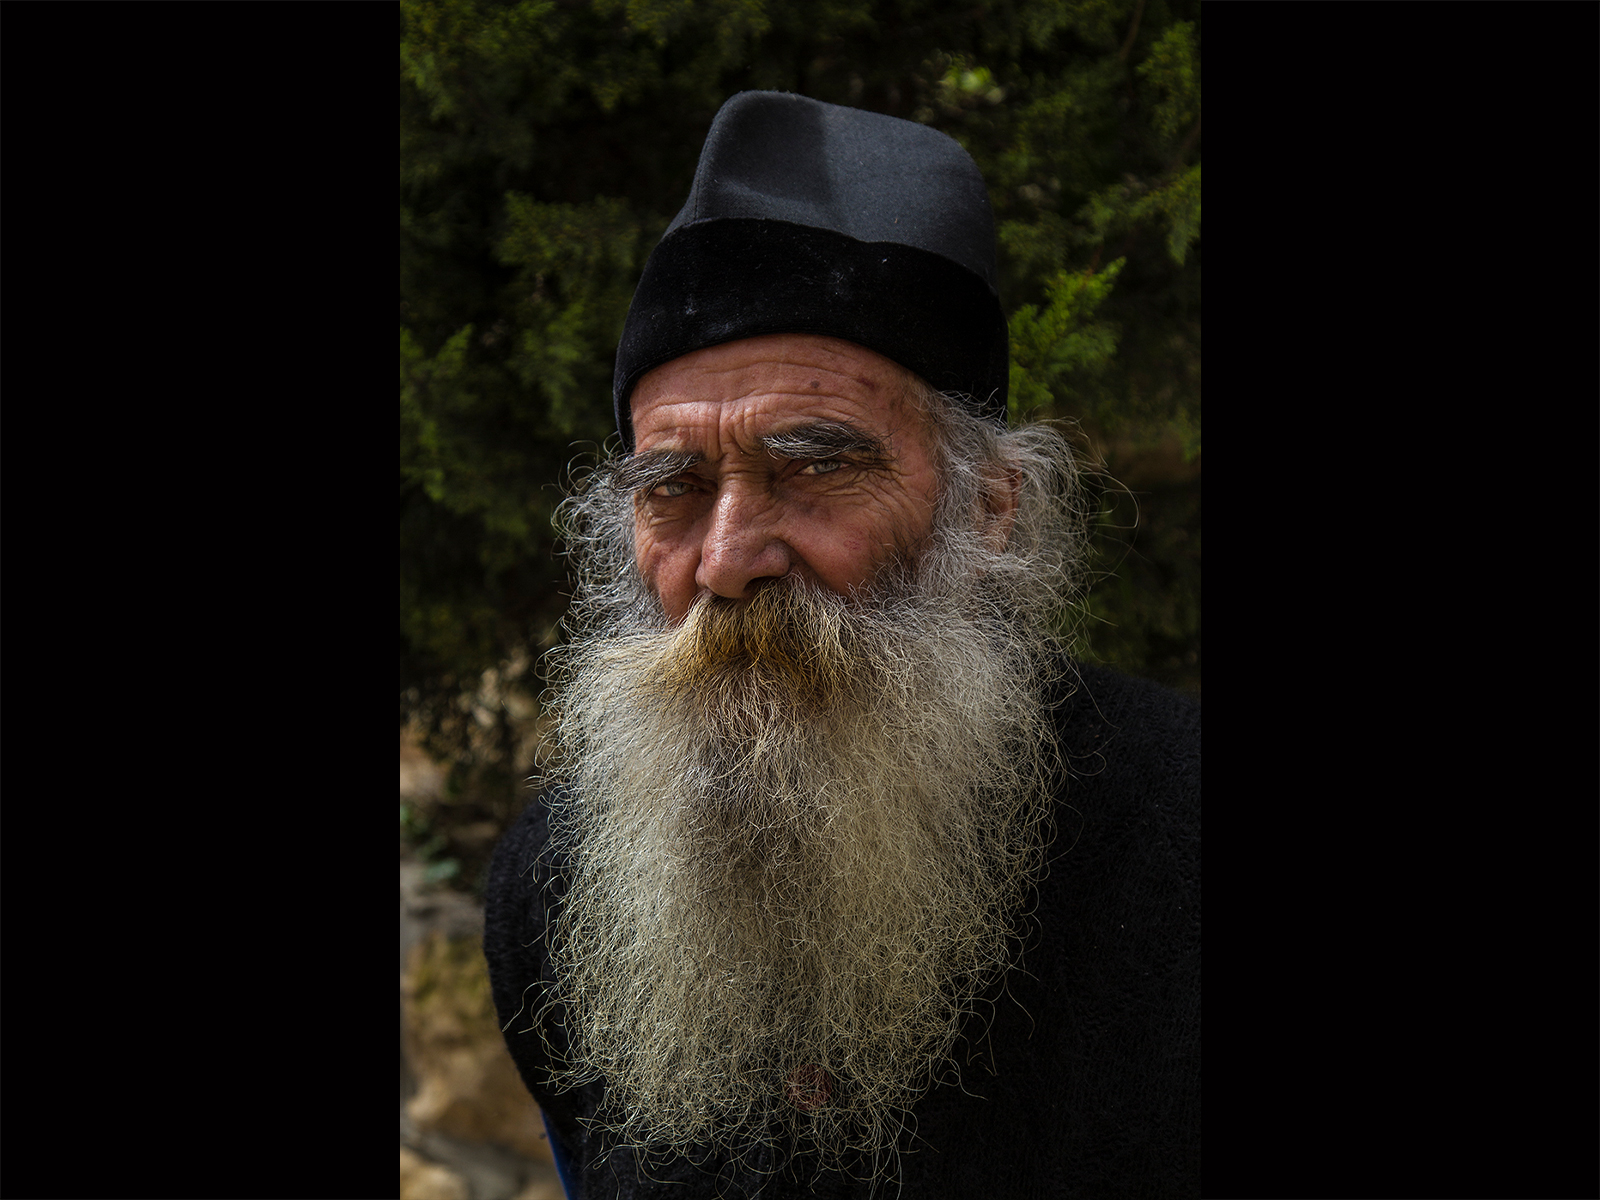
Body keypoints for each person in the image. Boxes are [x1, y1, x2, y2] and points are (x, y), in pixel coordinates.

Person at [484, 91, 1200, 1198]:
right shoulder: (553, 886)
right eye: (671, 487)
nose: (726, 561)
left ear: (988, 509)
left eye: (815, 466)